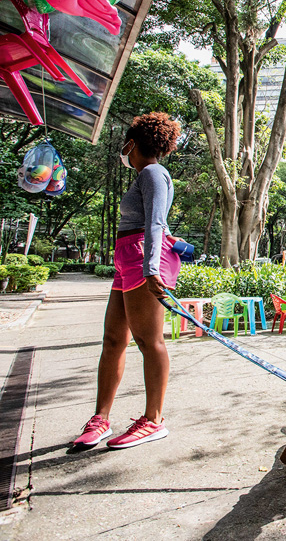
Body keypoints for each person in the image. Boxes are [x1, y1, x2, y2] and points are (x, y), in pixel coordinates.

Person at [74, 113, 182, 449]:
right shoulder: (142, 176)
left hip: (142, 258)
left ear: (133, 142)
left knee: (149, 342)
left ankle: (153, 419)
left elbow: (155, 224)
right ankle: (100, 419)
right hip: (127, 258)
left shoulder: (153, 173)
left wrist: (152, 269)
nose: (124, 147)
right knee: (112, 339)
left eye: (126, 141)